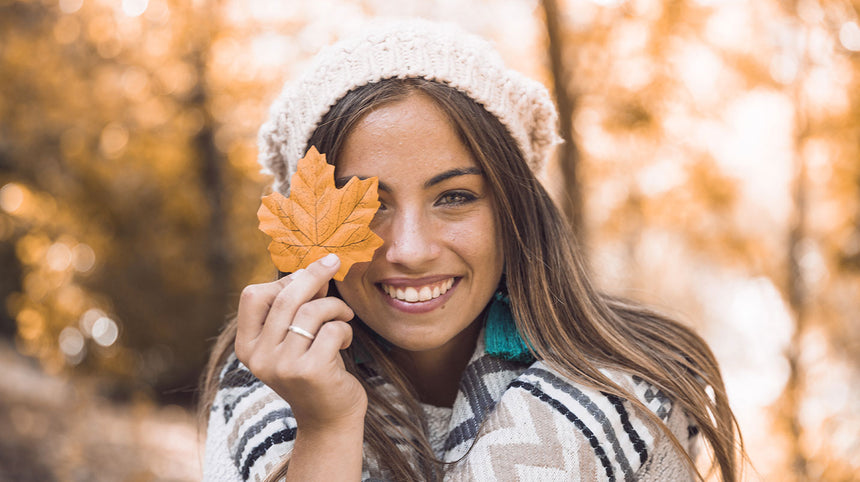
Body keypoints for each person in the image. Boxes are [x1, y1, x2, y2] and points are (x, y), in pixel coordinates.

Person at [199, 18, 741, 481]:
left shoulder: (636, 388)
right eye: (367, 205)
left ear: (515, 210)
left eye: (455, 197)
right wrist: (326, 427)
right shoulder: (259, 391)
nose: (410, 249)